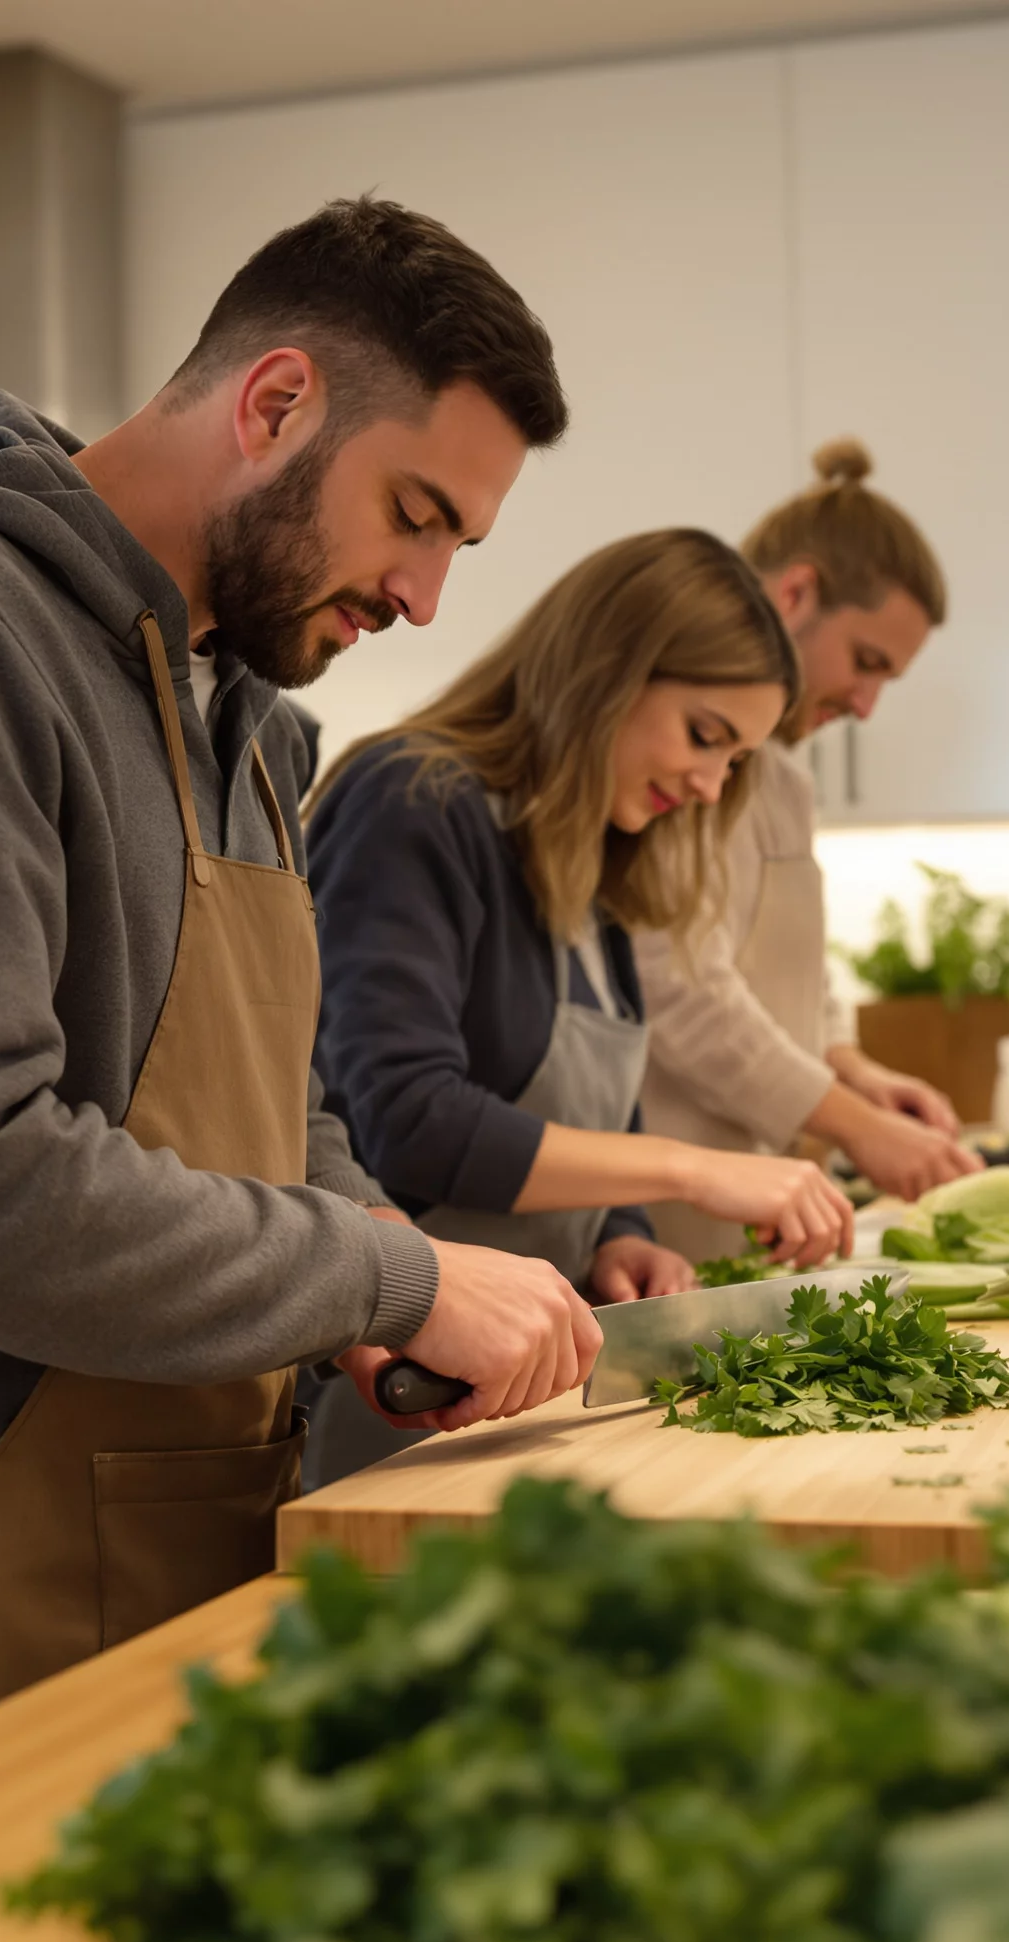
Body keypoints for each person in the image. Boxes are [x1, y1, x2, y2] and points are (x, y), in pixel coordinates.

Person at [0, 197, 602, 1818]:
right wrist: (397, 1266)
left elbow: (267, 1112)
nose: (424, 597)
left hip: (182, 1566)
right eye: (414, 515)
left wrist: (387, 1309)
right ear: (273, 403)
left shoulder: (240, 709)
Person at [300, 532, 855, 1479]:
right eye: (705, 737)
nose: (710, 784)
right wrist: (691, 1172)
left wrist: (620, 1236)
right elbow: (405, 1119)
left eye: (737, 762)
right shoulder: (413, 801)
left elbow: (596, 1111)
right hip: (400, 1403)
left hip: (531, 1397)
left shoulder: (592, 853)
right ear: (609, 671)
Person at [634, 441, 983, 1265]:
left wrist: (854, 1069)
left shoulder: (784, 778)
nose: (866, 705)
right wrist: (858, 1128)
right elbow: (681, 988)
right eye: (866, 663)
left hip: (768, 1205)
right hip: (670, 1224)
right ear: (795, 594)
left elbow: (791, 976)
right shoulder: (673, 760)